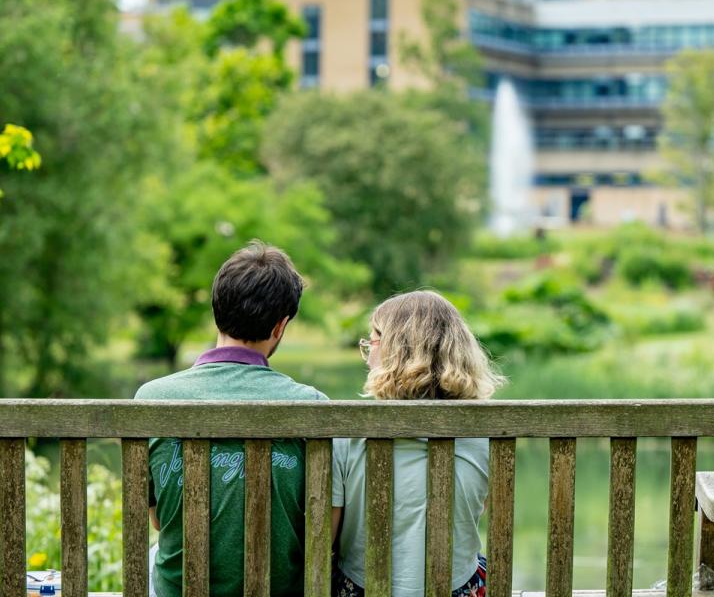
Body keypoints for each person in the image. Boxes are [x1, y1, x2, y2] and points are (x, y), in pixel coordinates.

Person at [136, 241, 327, 597]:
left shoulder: (152, 399)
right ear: (280, 327)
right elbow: (319, 528)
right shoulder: (311, 405)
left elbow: (161, 520)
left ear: (217, 311)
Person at [331, 290, 506, 597]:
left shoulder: (347, 432)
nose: (367, 354)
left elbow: (326, 536)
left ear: (393, 353)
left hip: (360, 589)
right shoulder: (487, 436)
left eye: (371, 342)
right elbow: (476, 513)